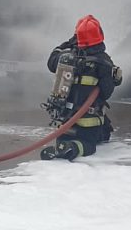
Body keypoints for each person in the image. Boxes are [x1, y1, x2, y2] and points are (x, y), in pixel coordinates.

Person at [40, 14, 122, 161]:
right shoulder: (103, 61)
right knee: (89, 144)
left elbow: (51, 62)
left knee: (103, 131)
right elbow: (105, 92)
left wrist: (67, 44)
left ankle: (64, 145)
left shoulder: (66, 57)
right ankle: (73, 148)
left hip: (65, 121)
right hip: (87, 122)